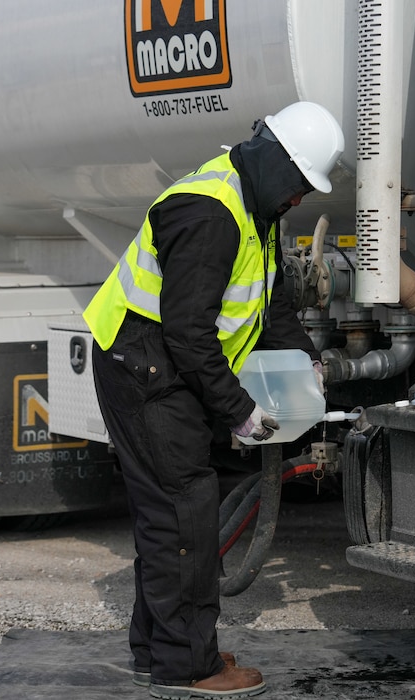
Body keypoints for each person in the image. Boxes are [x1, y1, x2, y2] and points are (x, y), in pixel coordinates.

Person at [82, 101, 344, 699]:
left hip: (160, 365)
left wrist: (304, 358)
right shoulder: (209, 212)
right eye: (300, 184)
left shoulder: (257, 208)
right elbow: (189, 333)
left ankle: (162, 649)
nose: (301, 199)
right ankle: (188, 667)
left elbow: (269, 304)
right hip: (144, 366)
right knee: (185, 516)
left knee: (171, 515)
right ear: (277, 163)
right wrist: (241, 411)